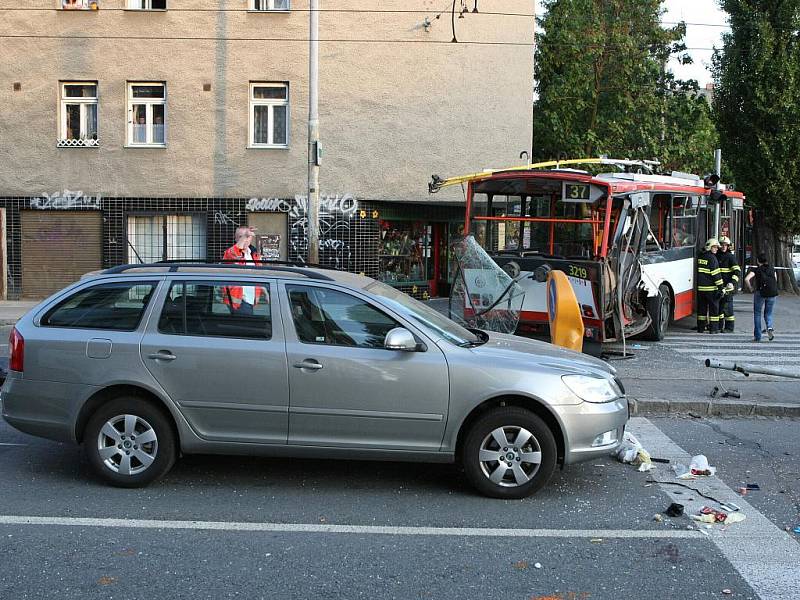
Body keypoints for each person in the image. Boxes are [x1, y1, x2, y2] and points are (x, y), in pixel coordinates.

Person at [222, 226, 265, 315]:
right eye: (241, 236)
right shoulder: (230, 253)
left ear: (251, 238)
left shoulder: (255, 254)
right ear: (236, 239)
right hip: (239, 301)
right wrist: (245, 236)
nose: (245, 239)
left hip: (251, 299)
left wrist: (265, 291)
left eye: (247, 236)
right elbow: (235, 251)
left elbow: (259, 275)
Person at [744, 253, 778, 342]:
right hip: (772, 293)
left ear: (758, 261)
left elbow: (746, 279)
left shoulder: (756, 270)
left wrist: (751, 288)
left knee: (757, 314)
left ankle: (758, 336)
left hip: (760, 293)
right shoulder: (772, 269)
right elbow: (775, 279)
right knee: (768, 313)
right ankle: (769, 327)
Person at [696, 238, 724, 333]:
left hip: (701, 289)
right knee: (714, 310)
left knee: (702, 310)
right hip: (711, 290)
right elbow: (716, 275)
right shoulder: (712, 258)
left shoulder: (700, 256)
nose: (716, 249)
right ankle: (713, 329)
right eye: (715, 247)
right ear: (710, 247)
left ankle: (700, 328)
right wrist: (721, 288)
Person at [716, 236, 741, 332]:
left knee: (727, 308)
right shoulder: (716, 255)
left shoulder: (730, 257)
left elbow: (737, 271)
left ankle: (729, 327)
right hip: (719, 286)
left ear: (728, 246)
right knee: (720, 307)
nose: (723, 247)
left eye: (725, 245)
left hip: (728, 287)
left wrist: (732, 283)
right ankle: (719, 326)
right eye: (722, 245)